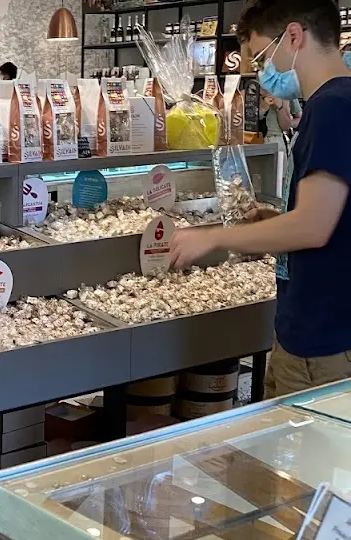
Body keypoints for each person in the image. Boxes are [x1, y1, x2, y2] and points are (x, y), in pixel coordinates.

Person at [169, 0, 351, 398]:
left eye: (262, 56)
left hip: (323, 341)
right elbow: (332, 217)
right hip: (313, 331)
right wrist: (274, 220)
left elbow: (313, 227)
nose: (261, 71)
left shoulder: (331, 108)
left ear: (294, 36)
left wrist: (214, 237)